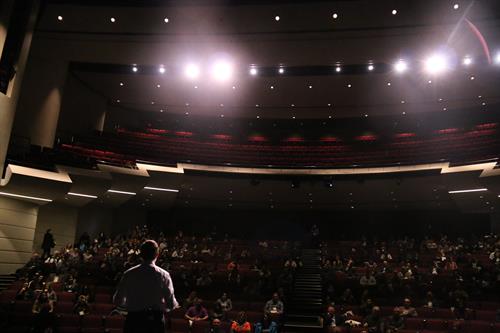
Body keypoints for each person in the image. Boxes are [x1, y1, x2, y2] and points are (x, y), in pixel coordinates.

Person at [114, 240, 179, 333]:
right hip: (154, 322)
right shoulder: (164, 275)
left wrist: (132, 306)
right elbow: (171, 304)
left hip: (134, 321)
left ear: (141, 254)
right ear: (157, 254)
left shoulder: (128, 274)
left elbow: (118, 300)